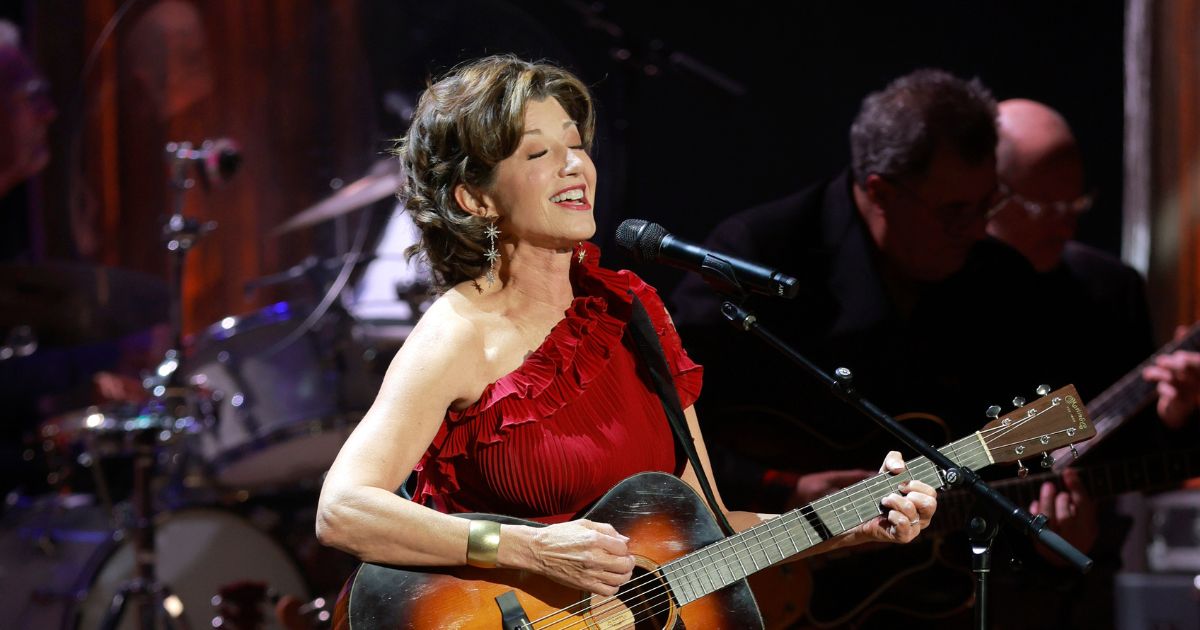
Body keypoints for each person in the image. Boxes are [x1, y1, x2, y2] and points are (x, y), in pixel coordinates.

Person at [314, 55, 938, 611]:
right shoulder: (458, 334)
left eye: (575, 143)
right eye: (538, 154)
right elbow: (343, 511)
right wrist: (529, 548)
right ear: (475, 200)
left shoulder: (632, 313)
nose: (575, 166)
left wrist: (850, 527)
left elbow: (707, 535)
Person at [669, 69, 1058, 628]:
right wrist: (782, 486)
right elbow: (664, 424)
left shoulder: (1000, 280)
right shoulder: (756, 253)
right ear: (880, 191)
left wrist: (1050, 514)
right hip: (766, 584)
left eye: (988, 204)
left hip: (924, 599)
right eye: (954, 212)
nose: (977, 230)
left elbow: (1020, 458)